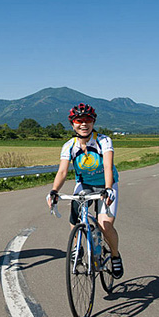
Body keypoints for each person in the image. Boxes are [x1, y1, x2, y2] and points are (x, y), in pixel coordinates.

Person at [47, 103, 123, 278]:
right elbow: (63, 171)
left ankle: (115, 255)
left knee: (105, 224)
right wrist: (54, 191)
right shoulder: (69, 146)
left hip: (106, 184)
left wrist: (109, 188)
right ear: (72, 124)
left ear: (93, 122)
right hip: (85, 184)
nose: (83, 124)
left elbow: (107, 167)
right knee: (75, 217)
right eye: (79, 120)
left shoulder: (103, 141)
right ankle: (78, 247)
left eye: (88, 120)